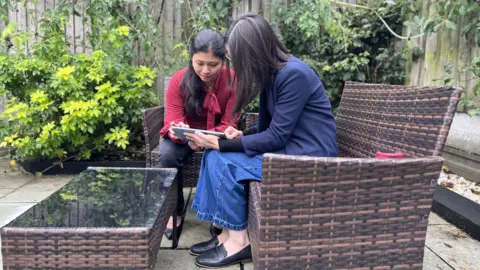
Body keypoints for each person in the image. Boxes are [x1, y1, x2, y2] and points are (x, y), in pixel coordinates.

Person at [184, 14, 339, 268]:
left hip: (310, 157)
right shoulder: (274, 76)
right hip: (289, 149)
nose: (235, 63)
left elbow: (277, 136)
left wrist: (220, 143)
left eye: (236, 57)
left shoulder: (294, 74)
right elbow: (270, 128)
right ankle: (224, 234)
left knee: (226, 162)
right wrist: (242, 135)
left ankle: (240, 241)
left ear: (251, 51)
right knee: (213, 155)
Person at [158, 29, 238, 240]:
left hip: (218, 136)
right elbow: (172, 121)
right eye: (199, 63)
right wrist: (187, 135)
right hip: (186, 136)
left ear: (223, 61)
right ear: (191, 58)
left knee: (222, 154)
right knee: (166, 153)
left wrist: (208, 139)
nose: (205, 70)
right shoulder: (179, 81)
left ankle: (219, 211)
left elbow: (230, 122)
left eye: (213, 65)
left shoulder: (233, 81)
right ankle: (174, 210)